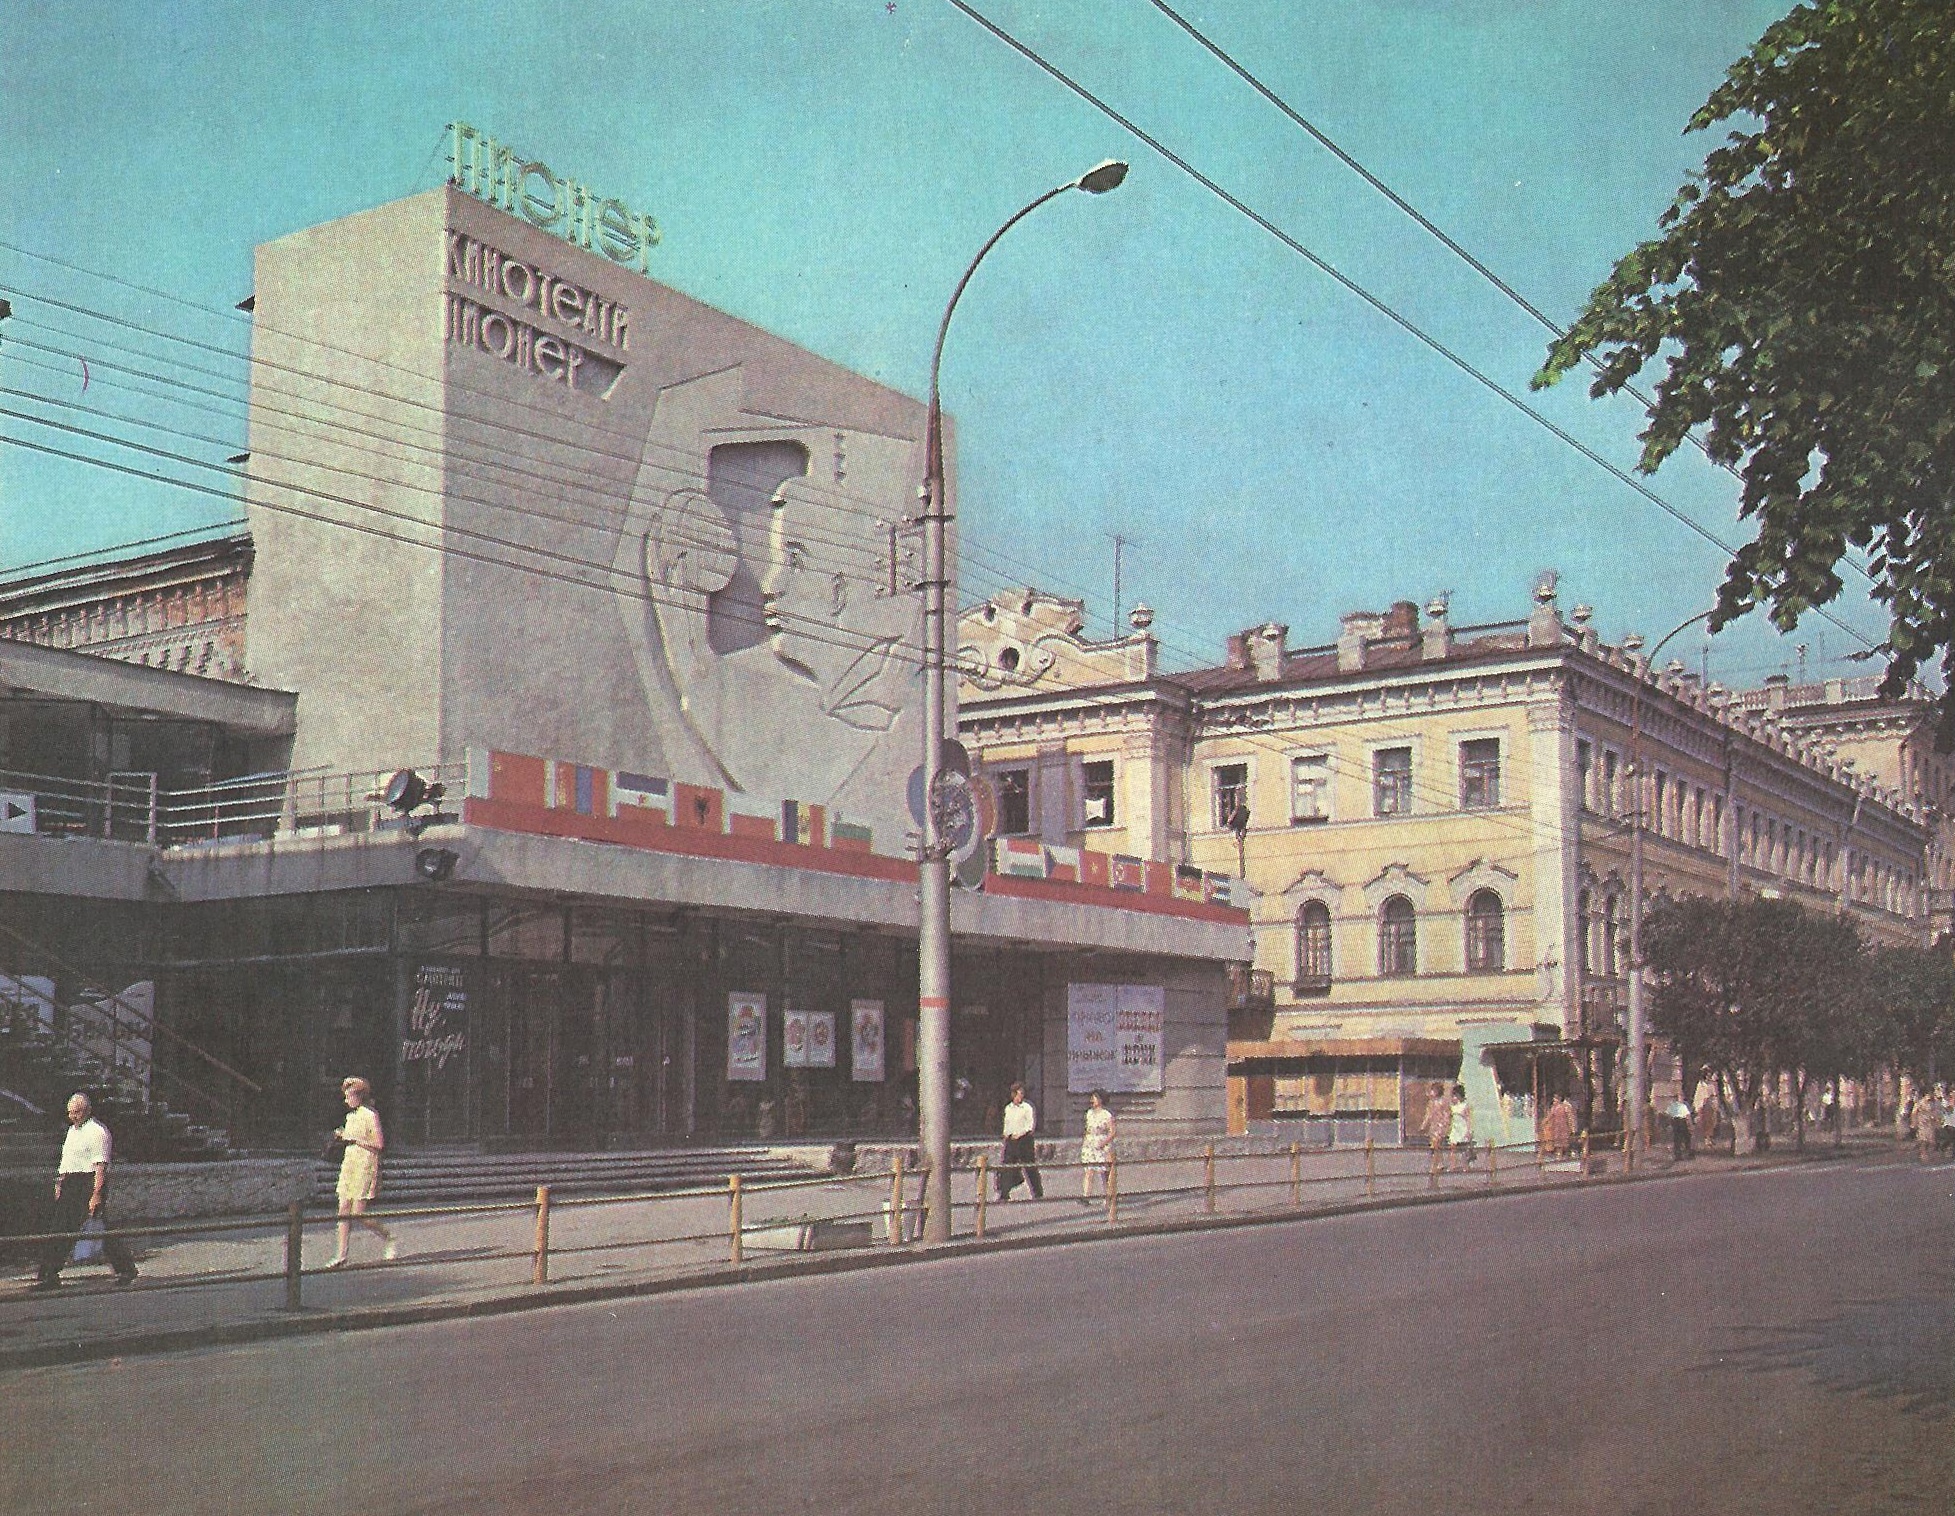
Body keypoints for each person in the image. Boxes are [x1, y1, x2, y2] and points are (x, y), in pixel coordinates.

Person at [34, 1093, 138, 1289]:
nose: (73, 1117)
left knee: (100, 1227)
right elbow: (67, 1160)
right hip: (71, 1182)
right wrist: (60, 1183)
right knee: (60, 1227)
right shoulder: (72, 1131)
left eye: (77, 1112)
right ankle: (49, 1273)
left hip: (88, 1181)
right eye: (70, 1113)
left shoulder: (98, 1132)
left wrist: (96, 1194)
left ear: (87, 1111)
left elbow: (100, 1166)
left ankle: (126, 1268)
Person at [328, 1077, 396, 1268]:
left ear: (359, 1096)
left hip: (365, 1164)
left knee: (358, 1213)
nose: (346, 1100)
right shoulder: (351, 1116)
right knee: (343, 1209)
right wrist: (342, 1136)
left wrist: (355, 1139)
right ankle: (341, 1254)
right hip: (350, 1163)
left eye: (349, 1096)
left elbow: (379, 1144)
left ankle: (388, 1237)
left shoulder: (370, 1115)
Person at [996, 1082, 1042, 1201]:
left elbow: (1030, 1126)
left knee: (1029, 1166)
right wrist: (1007, 1134)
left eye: (1022, 1093)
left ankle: (1037, 1192)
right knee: (1007, 1166)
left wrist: (1020, 1134)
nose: (1020, 1096)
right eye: (1018, 1093)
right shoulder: (1008, 1108)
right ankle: (1004, 1193)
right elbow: (1007, 1123)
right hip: (1011, 1140)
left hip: (1024, 1140)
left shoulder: (1027, 1107)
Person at [1079, 1090, 1115, 1203]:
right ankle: (1086, 1196)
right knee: (1089, 1171)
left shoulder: (1106, 1115)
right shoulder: (1089, 1113)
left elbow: (1112, 1132)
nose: (1092, 1100)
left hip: (1101, 1144)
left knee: (1103, 1172)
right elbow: (1087, 1129)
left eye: (1094, 1098)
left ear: (1100, 1100)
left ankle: (1107, 1196)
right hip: (1090, 1144)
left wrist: (1103, 1143)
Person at [1423, 1081, 1452, 1167]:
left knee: (1436, 1144)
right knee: (1435, 1145)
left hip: (1440, 1126)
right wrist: (1424, 1125)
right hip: (1434, 1126)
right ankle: (1439, 1162)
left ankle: (1436, 1163)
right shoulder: (1431, 1103)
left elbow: (1447, 1114)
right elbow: (1428, 1115)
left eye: (1433, 1090)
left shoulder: (1443, 1102)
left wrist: (1445, 1125)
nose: (1431, 1092)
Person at [1910, 1087, 1941, 1165]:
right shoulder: (1920, 1103)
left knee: (1932, 1141)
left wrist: (1937, 1121)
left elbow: (1938, 1113)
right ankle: (1923, 1154)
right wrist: (1914, 1123)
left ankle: (1930, 1154)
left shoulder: (1936, 1102)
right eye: (1929, 1093)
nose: (1931, 1094)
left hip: (1931, 1124)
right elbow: (1914, 1113)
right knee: (1923, 1141)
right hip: (1922, 1124)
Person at [1542, 1093, 1577, 1159]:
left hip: (1564, 1127)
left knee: (1565, 1142)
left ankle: (1569, 1154)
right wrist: (1544, 1122)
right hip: (1556, 1127)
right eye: (1554, 1098)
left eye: (1555, 1098)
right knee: (1558, 1143)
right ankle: (1559, 1156)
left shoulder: (1566, 1107)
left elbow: (1570, 1118)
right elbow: (1550, 1116)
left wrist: (1572, 1127)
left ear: (1559, 1099)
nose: (1554, 1100)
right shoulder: (1554, 1108)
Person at [1447, 1084, 1473, 1171]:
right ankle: (1452, 1165)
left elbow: (1468, 1119)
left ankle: (1465, 1166)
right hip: (1455, 1129)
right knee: (1452, 1147)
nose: (1453, 1098)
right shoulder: (1452, 1107)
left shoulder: (1465, 1106)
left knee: (1463, 1149)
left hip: (1463, 1128)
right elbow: (1450, 1118)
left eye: (1454, 1095)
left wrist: (1468, 1131)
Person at [1666, 1096, 1693, 1160]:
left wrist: (1669, 1123)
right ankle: (1687, 1153)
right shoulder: (1683, 1106)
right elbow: (1687, 1116)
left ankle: (1678, 1154)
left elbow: (1668, 1115)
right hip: (1681, 1121)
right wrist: (1690, 1124)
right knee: (1686, 1138)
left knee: (1677, 1139)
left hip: (1675, 1121)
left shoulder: (1671, 1105)